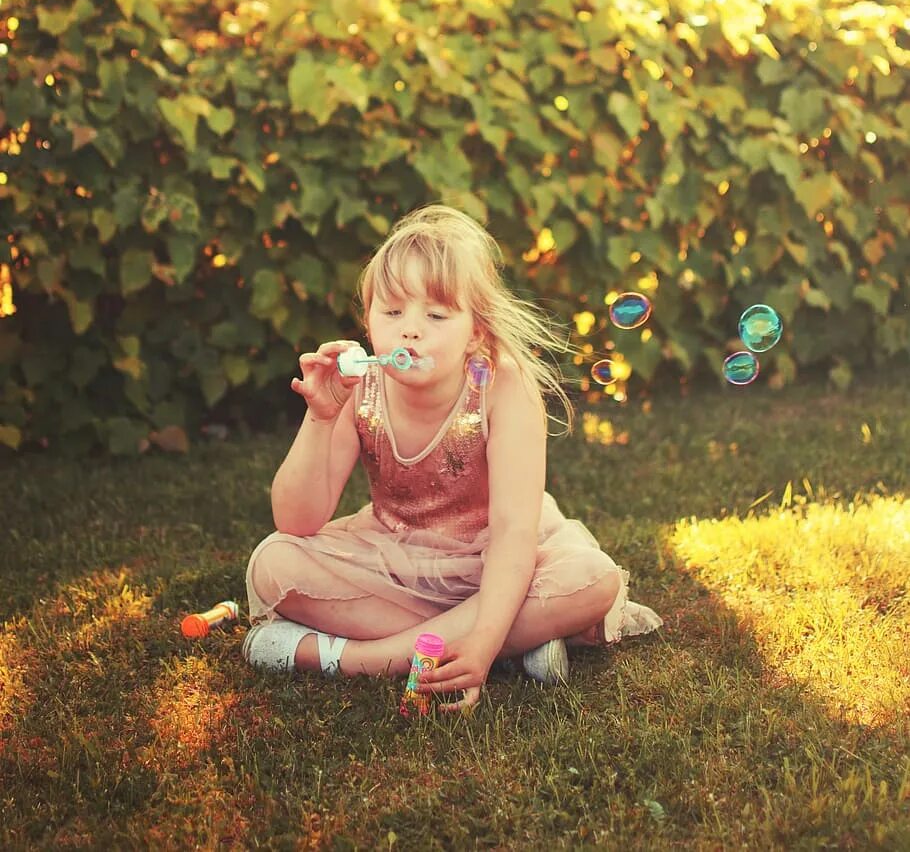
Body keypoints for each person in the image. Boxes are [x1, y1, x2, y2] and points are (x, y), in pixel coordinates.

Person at [243, 204, 662, 712]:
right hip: (395, 559)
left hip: (496, 559)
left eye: (436, 315)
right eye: (392, 312)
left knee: (594, 580)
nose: (409, 330)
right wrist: (321, 418)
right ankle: (519, 639)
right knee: (273, 562)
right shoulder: (360, 386)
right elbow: (296, 520)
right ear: (368, 318)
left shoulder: (504, 387)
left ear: (476, 333)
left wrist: (484, 642)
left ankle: (352, 658)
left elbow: (513, 535)